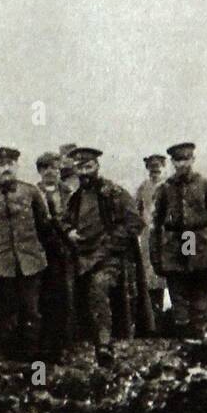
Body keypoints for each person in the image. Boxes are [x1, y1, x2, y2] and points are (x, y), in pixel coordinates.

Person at [62, 147, 145, 364]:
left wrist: (108, 242)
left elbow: (135, 223)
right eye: (80, 168)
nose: (85, 172)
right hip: (82, 257)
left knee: (98, 286)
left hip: (110, 258)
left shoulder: (113, 192)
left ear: (97, 166)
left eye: (88, 167)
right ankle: (73, 342)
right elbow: (64, 220)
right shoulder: (75, 197)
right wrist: (69, 231)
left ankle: (104, 345)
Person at [0, 146, 53, 355]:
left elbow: (44, 225)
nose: (6, 168)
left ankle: (33, 356)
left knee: (32, 311)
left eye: (10, 164)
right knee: (5, 311)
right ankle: (7, 360)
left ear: (17, 166)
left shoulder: (31, 192)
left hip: (30, 262)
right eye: (1, 164)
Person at [150, 142, 207, 340]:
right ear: (172, 162)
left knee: (202, 287)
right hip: (174, 243)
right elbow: (155, 225)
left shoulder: (205, 186)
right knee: (178, 290)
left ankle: (203, 332)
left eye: (186, 159)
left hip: (198, 241)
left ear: (193, 160)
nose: (182, 165)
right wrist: (156, 258)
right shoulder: (165, 189)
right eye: (178, 160)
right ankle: (184, 334)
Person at [35, 152, 76, 359]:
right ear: (40, 171)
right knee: (45, 296)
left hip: (66, 250)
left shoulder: (69, 193)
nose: (50, 172)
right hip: (42, 251)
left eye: (54, 168)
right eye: (45, 168)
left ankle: (66, 341)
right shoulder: (34, 193)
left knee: (66, 295)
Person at [136, 154, 168, 322]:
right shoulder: (143, 187)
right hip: (148, 235)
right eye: (151, 170)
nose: (154, 173)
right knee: (150, 272)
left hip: (168, 235)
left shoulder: (169, 186)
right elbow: (136, 210)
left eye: (157, 169)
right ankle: (155, 313)